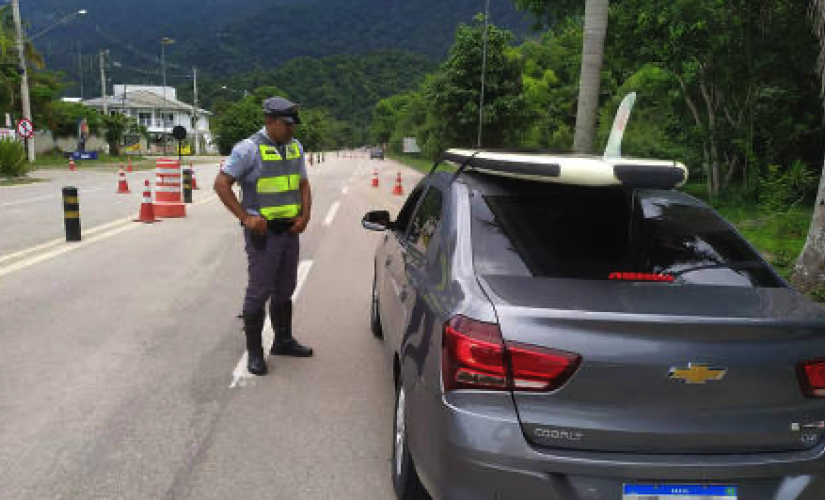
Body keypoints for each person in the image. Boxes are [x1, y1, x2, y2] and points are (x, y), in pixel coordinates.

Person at [214, 96, 314, 376]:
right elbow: (222, 184)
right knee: (259, 291)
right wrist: (245, 217)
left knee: (285, 288)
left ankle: (283, 340)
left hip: (290, 232)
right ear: (269, 121)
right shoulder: (248, 150)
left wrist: (305, 216)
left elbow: (304, 185)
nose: (292, 130)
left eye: (293, 125)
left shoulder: (295, 147)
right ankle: (255, 352)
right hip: (263, 235)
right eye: (287, 125)